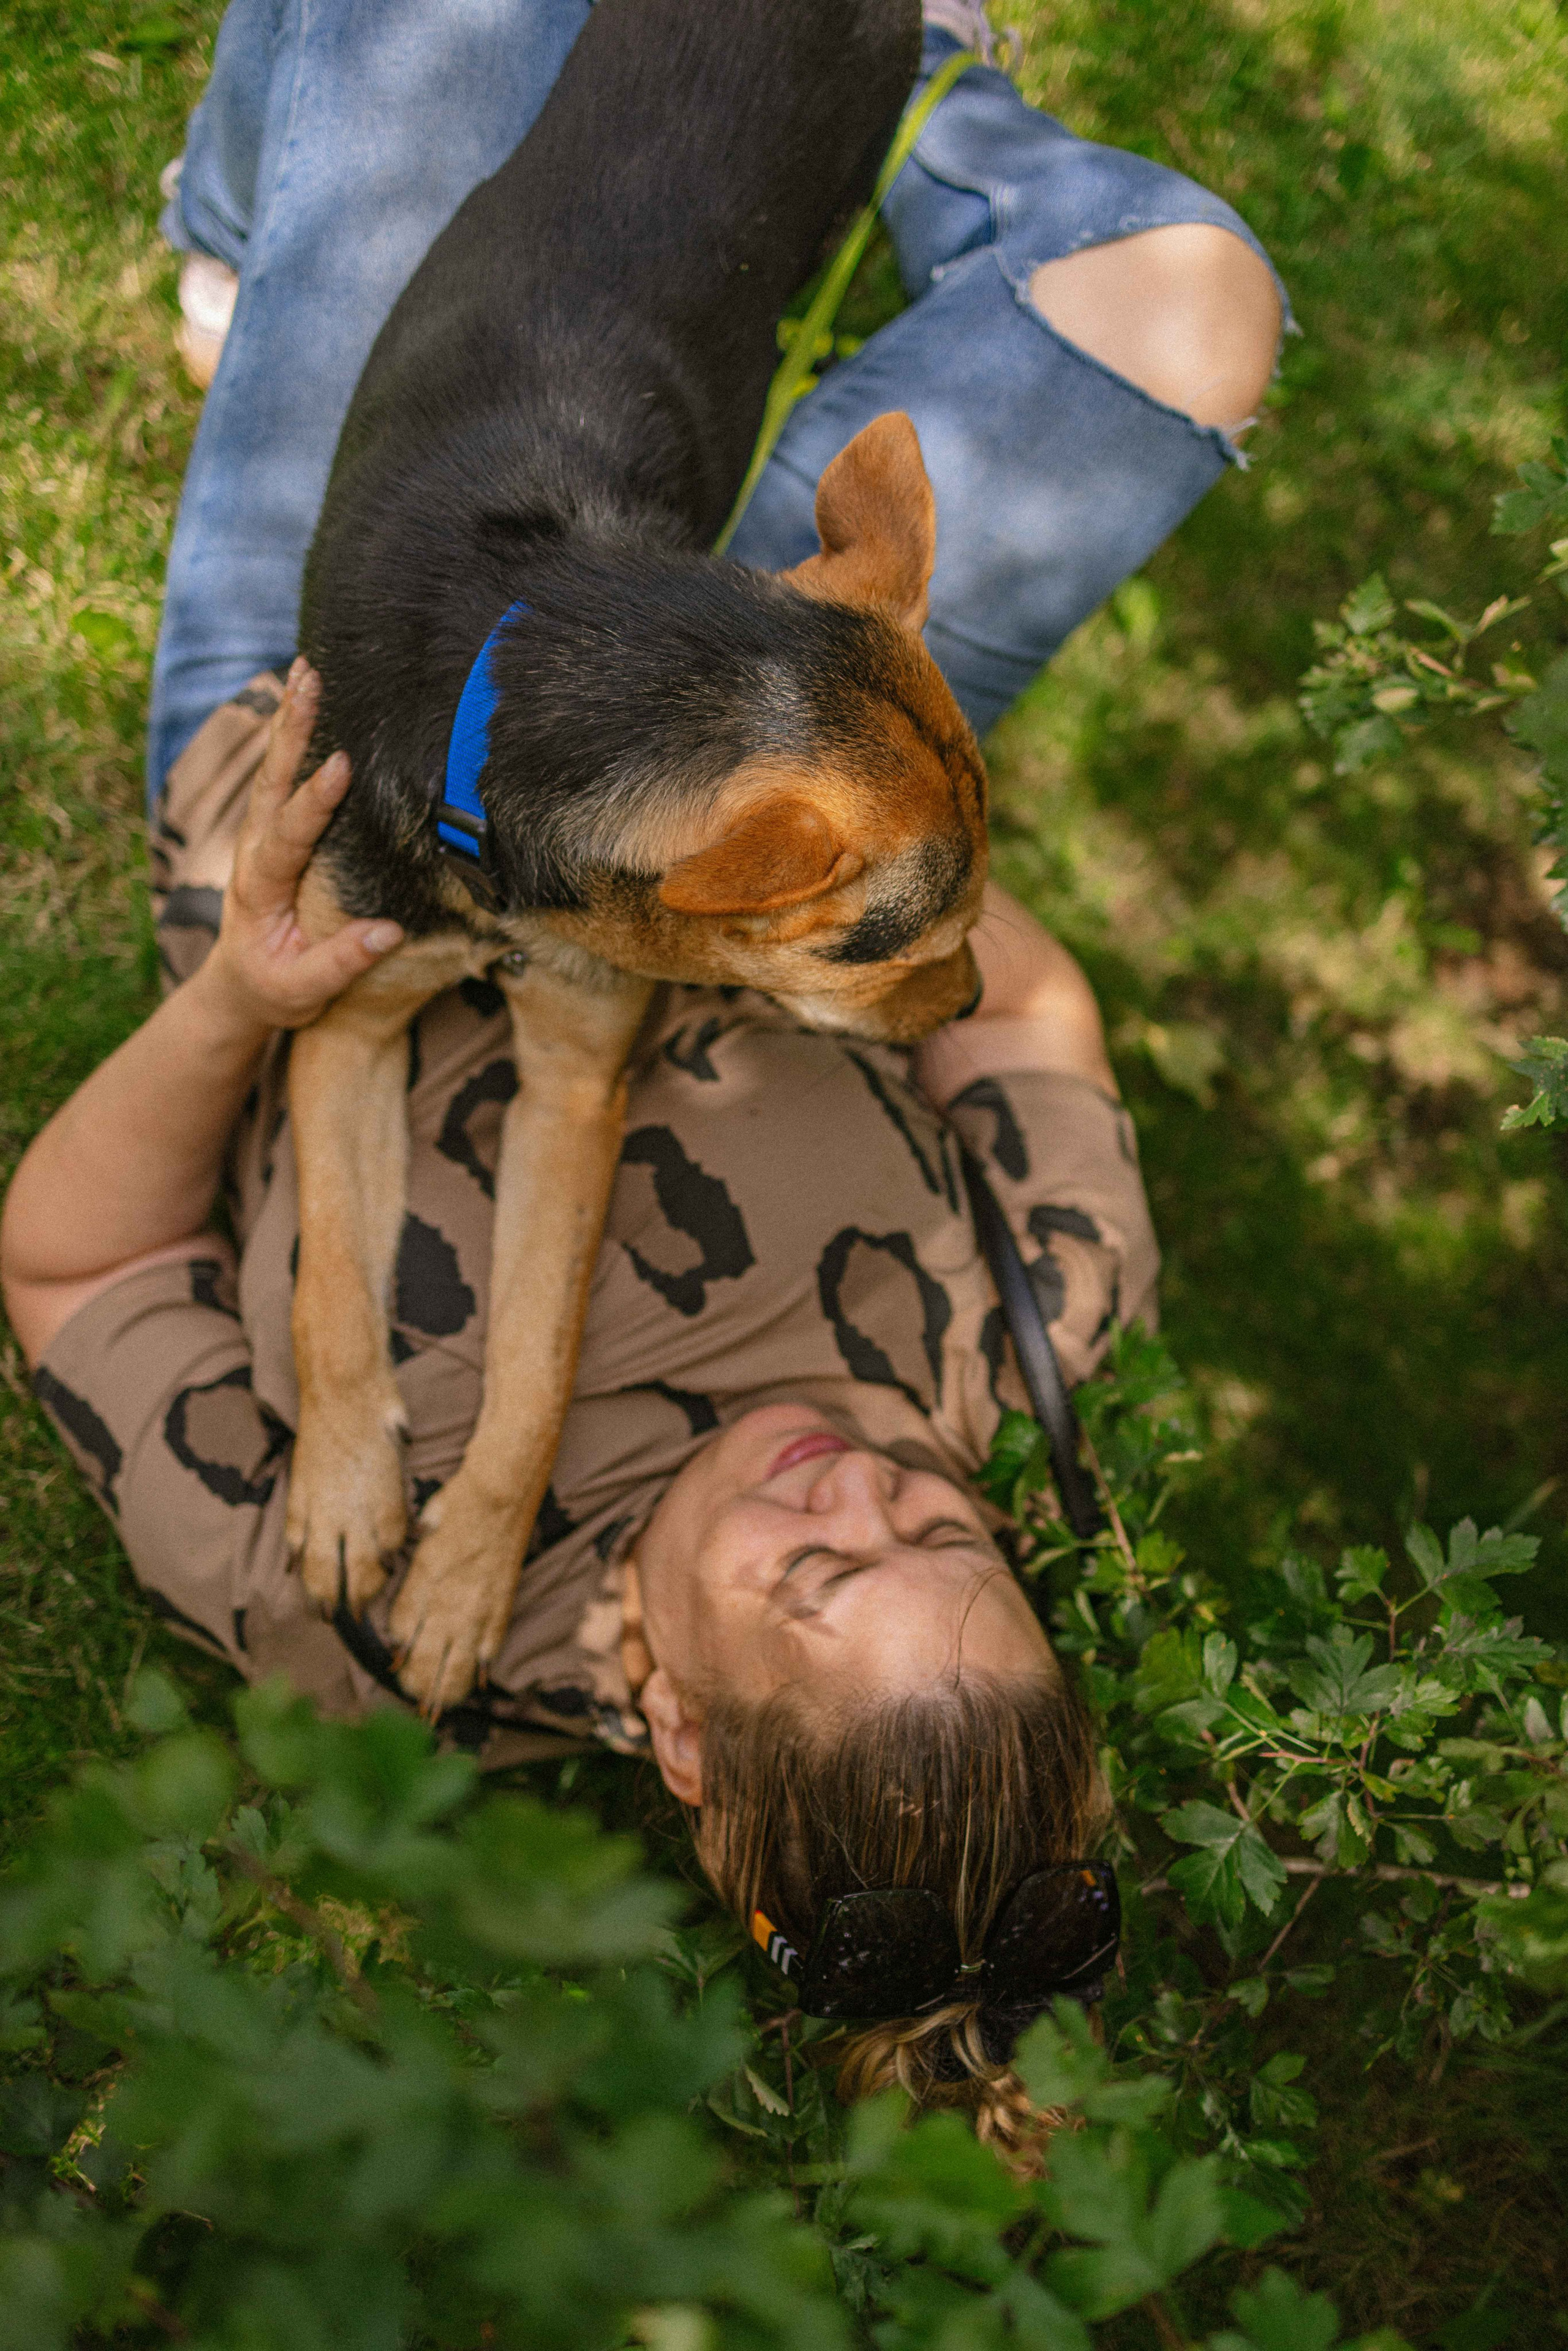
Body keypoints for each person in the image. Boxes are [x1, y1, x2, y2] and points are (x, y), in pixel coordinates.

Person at [1, 0, 1286, 2159]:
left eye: (811, 1570)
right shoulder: (1045, 1327)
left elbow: (64, 1266)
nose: (843, 1475)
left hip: (340, 727)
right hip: (749, 752)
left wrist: (242, 994)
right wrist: (880, 838)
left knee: (458, 32)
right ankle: (854, 61)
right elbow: (1027, 1016)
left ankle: (247, 218)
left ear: (683, 1741)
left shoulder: (359, 1629)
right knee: (1191, 307)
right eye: (933, 1517)